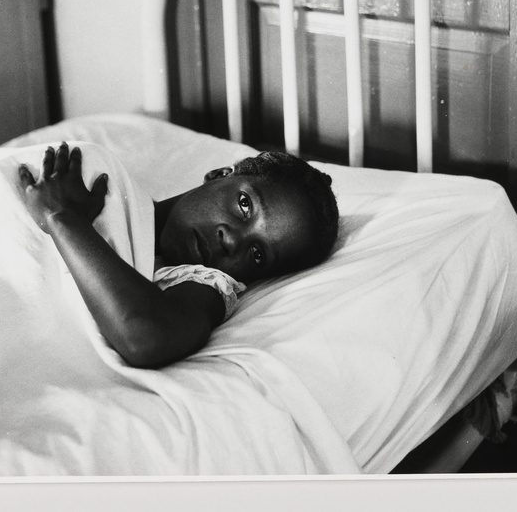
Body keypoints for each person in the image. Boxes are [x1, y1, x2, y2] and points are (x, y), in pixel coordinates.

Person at [18, 142, 338, 370]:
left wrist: (62, 219)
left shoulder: (204, 285)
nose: (231, 241)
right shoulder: (107, 185)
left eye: (257, 253)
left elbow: (144, 336)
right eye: (244, 205)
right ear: (219, 174)